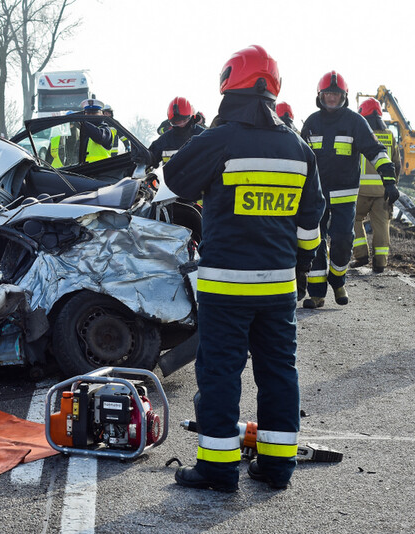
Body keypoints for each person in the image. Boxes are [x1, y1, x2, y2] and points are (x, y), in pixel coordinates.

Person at [165, 45, 325, 492]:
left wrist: (206, 137)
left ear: (228, 82)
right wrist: (299, 268)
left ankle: (217, 470)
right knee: (279, 374)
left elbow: (176, 178)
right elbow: (312, 219)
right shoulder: (297, 147)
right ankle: (276, 469)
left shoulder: (222, 138)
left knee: (219, 374)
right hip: (277, 288)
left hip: (226, 286)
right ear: (274, 88)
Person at [301, 72, 398, 308]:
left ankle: (337, 279)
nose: (332, 98)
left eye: (336, 94)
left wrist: (389, 179)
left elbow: (375, 151)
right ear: (320, 96)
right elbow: (300, 157)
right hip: (316, 196)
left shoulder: (355, 122)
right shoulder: (312, 122)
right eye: (328, 94)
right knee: (314, 242)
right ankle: (316, 294)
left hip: (345, 196)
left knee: (344, 240)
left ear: (344, 96)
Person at [351, 98, 401, 273]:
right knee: (381, 225)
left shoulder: (358, 134)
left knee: (353, 220)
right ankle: (380, 263)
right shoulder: (389, 136)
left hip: (359, 191)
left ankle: (361, 255)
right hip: (383, 192)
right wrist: (392, 185)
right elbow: (396, 164)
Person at [146, 97, 206, 168]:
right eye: (177, 122)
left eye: (184, 121)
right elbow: (148, 158)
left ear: (191, 117)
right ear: (171, 122)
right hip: (173, 178)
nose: (181, 125)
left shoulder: (203, 135)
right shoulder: (165, 140)